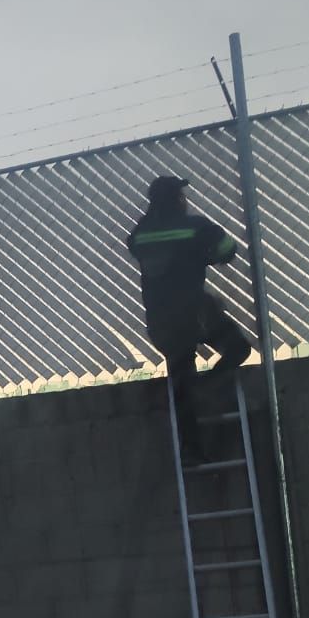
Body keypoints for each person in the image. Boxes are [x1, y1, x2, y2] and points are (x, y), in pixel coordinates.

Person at [126, 175, 252, 464]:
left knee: (180, 380)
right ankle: (208, 386)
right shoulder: (196, 227)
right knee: (238, 349)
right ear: (176, 199)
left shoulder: (141, 233)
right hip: (195, 312)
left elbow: (136, 245)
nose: (186, 200)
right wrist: (201, 255)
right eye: (182, 195)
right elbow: (227, 250)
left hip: (160, 321)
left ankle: (191, 450)